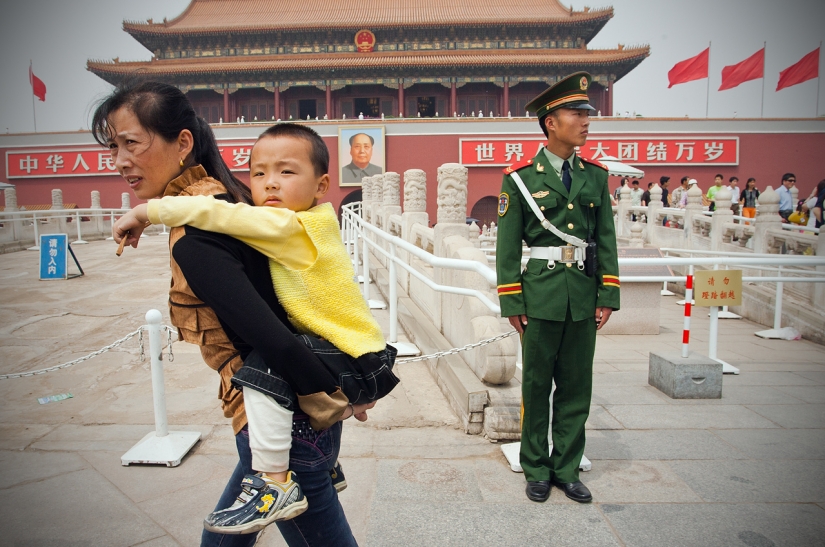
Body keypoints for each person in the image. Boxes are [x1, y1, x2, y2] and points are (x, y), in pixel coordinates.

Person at [100, 80, 366, 547]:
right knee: (222, 538)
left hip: (285, 419)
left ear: (183, 142)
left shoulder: (199, 230)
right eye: (112, 146)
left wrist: (338, 393)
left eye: (131, 143)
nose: (119, 160)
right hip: (274, 413)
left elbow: (270, 336)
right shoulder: (223, 202)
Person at [495, 72, 620, 505]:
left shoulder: (596, 175)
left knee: (575, 385)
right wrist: (512, 299)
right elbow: (507, 247)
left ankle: (567, 467)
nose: (587, 121)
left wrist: (607, 295)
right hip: (540, 294)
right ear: (551, 122)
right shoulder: (520, 177)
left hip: (582, 296)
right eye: (577, 113)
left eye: (588, 113)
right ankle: (536, 466)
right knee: (535, 384)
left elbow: (605, 240)